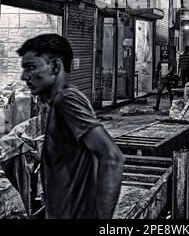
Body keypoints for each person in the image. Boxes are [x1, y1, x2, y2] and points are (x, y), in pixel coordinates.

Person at [17, 34, 124, 219]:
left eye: (31, 67)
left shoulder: (67, 101)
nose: (24, 76)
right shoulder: (60, 102)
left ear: (56, 66)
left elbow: (112, 157)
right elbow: (76, 168)